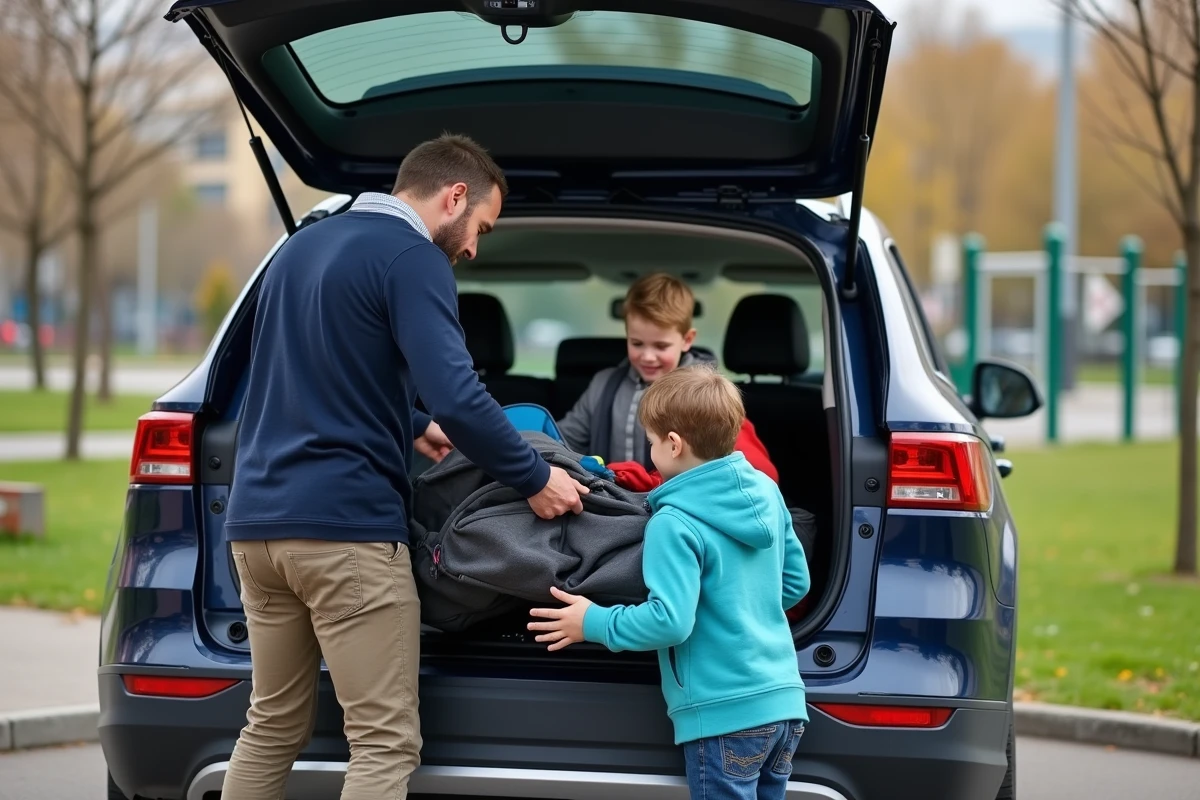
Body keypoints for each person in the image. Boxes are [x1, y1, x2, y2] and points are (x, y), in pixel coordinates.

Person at [220, 133, 590, 800]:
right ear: (454, 196)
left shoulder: (299, 247)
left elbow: (307, 365)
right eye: (480, 225)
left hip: (257, 530)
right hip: (345, 534)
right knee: (384, 743)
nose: (475, 246)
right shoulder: (413, 259)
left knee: (270, 725)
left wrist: (416, 424)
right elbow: (461, 394)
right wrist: (535, 478)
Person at [529, 365, 810, 800]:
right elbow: (795, 581)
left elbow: (670, 622)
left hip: (723, 715)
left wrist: (592, 622)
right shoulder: (767, 493)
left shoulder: (672, 522)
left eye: (653, 441)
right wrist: (740, 601)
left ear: (674, 444)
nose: (651, 451)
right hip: (786, 707)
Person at [556, 272, 778, 484]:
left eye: (661, 346)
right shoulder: (603, 386)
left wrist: (650, 483)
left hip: (680, 506)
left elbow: (751, 471)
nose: (648, 356)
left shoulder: (707, 395)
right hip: (614, 505)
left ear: (687, 339)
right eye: (637, 343)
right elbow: (563, 441)